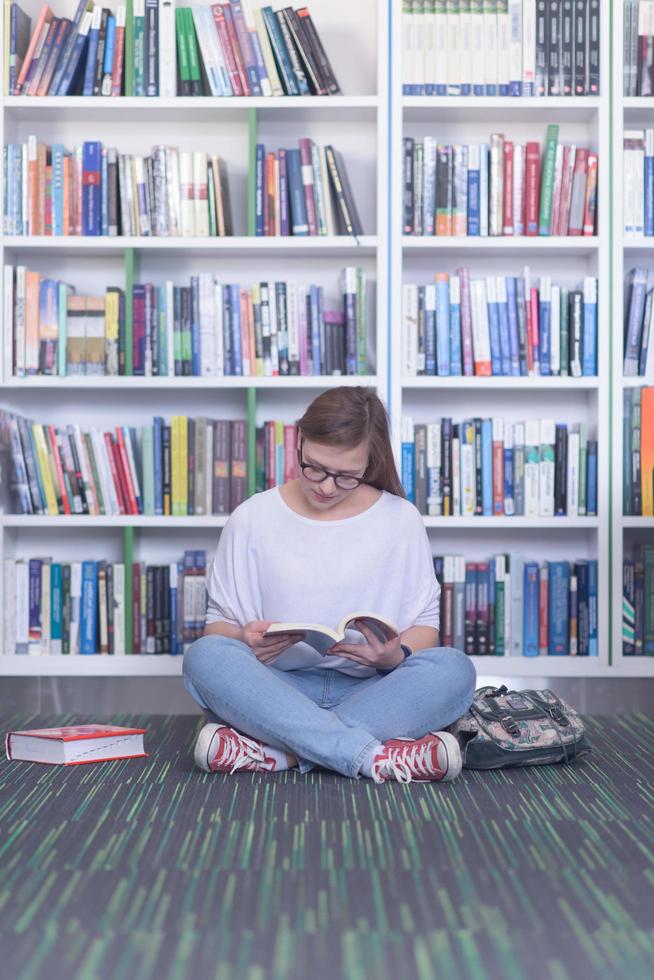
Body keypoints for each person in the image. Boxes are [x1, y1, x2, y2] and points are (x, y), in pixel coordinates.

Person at [183, 387, 476, 784]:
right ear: (299, 441)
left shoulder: (400, 519)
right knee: (206, 656)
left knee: (453, 669)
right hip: (276, 692)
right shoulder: (251, 517)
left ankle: (279, 753)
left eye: (346, 476)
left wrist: (392, 656)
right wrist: (242, 637)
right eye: (314, 467)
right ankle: (374, 755)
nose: (325, 487)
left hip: (373, 692)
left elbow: (425, 626)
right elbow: (218, 627)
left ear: (370, 463)